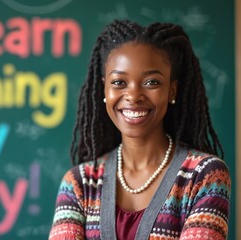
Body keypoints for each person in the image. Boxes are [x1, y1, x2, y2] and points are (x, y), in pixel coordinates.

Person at [49, 19, 231, 240]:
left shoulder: (205, 176)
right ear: (104, 88)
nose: (134, 96)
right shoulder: (80, 182)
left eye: (151, 82)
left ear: (171, 91)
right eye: (119, 82)